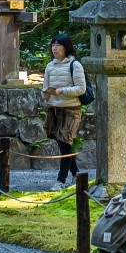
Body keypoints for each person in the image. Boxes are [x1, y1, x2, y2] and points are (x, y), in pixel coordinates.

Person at [40, 34, 88, 186]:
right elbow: (44, 90)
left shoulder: (75, 65)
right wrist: (46, 93)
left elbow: (81, 89)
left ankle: (61, 180)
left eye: (58, 45)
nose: (55, 48)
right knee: (62, 143)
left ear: (66, 47)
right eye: (53, 45)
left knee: (65, 141)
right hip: (54, 108)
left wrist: (62, 91)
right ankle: (77, 174)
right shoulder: (50, 66)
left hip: (71, 108)